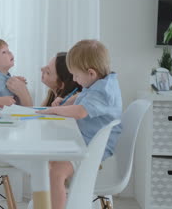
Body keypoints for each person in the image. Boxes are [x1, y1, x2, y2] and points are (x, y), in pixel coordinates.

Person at [36, 39, 122, 209]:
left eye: (75, 75)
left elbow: (81, 111)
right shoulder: (100, 82)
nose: (74, 79)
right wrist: (65, 102)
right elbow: (82, 96)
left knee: (56, 174)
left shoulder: (103, 91)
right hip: (85, 142)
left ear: (91, 73)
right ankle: (47, 204)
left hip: (93, 148)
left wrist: (55, 110)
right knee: (47, 163)